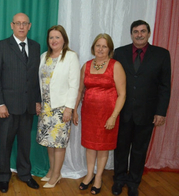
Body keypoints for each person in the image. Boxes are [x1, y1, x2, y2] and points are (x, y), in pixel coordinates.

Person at [112, 20, 171, 196]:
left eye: (143, 31)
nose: (139, 34)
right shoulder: (120, 52)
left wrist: (161, 111)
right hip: (123, 111)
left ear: (148, 33)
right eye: (136, 31)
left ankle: (133, 182)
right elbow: (112, 81)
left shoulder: (162, 54)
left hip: (147, 113)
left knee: (139, 149)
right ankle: (119, 179)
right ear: (131, 34)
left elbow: (165, 86)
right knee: (121, 148)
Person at [0, 12, 41, 193]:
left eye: (24, 23)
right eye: (18, 23)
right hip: (7, 108)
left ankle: (25, 175)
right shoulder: (1, 46)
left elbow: (35, 78)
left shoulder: (35, 47)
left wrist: (37, 101)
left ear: (30, 26)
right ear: (12, 25)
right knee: (5, 144)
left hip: (28, 107)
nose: (21, 26)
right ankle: (4, 176)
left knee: (25, 144)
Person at [73, 33, 126, 195]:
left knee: (103, 147)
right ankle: (89, 174)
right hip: (89, 114)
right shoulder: (87, 65)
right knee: (90, 145)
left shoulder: (115, 66)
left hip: (107, 115)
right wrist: (75, 110)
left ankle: (98, 177)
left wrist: (114, 116)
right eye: (98, 45)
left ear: (109, 49)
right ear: (93, 47)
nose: (101, 49)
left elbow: (122, 94)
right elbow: (80, 90)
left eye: (104, 46)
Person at [36, 25, 80, 188]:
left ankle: (56, 174)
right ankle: (52, 170)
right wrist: (39, 102)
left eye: (57, 37)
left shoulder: (70, 56)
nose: (54, 40)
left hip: (61, 108)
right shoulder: (43, 57)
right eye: (51, 37)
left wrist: (69, 108)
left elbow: (74, 84)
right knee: (49, 141)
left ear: (64, 40)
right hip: (46, 107)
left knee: (59, 142)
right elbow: (40, 82)